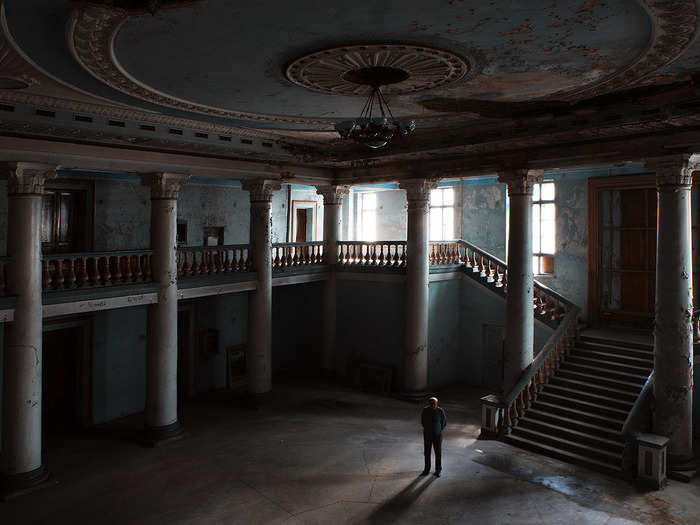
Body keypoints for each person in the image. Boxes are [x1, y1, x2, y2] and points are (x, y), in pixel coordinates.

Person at [421, 396, 446, 477]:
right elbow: (423, 422)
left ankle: (438, 470)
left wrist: (438, 430)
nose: (432, 405)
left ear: (437, 404)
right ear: (429, 404)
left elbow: (444, 422)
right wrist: (429, 429)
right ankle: (426, 469)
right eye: (431, 404)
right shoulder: (425, 410)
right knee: (427, 452)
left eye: (434, 404)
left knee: (438, 453)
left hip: (437, 435)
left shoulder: (440, 411)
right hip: (427, 435)